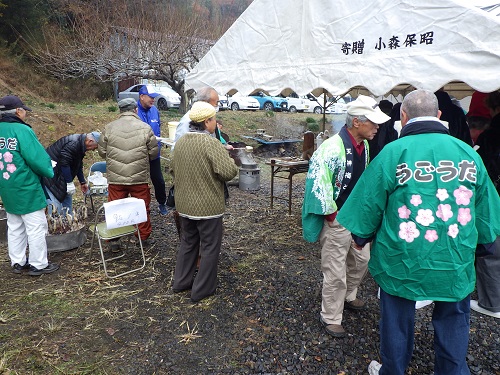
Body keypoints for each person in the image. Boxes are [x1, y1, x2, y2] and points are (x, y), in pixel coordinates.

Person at [336, 89, 500, 375]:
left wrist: (361, 237)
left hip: (402, 257)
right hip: (454, 256)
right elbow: (486, 211)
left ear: (403, 116)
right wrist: (485, 244)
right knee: (453, 320)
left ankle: (393, 370)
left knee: (397, 318)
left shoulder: (392, 153)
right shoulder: (466, 154)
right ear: (439, 116)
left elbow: (368, 203)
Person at [302, 95, 390, 337]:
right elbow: (317, 186)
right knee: (335, 269)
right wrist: (332, 216)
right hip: (338, 217)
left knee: (361, 261)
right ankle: (331, 315)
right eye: (372, 122)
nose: (377, 127)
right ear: (357, 123)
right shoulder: (330, 148)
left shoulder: (366, 146)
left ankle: (349, 296)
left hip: (357, 217)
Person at [171, 101, 238, 303]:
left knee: (188, 242)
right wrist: (231, 161)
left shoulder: (181, 142)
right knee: (209, 246)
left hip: (184, 204)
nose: (216, 123)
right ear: (207, 121)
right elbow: (228, 172)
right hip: (208, 206)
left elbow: (172, 170)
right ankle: (202, 289)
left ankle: (180, 282)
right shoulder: (210, 143)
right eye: (214, 119)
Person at [0, 95, 59, 276]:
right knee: (36, 226)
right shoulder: (22, 130)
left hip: (6, 184)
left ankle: (17, 261)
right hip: (25, 185)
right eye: (24, 110)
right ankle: (38, 263)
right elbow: (36, 157)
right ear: (18, 111)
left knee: (15, 224)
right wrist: (49, 169)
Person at [98, 98, 159, 245]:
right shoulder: (145, 128)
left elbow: (102, 152)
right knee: (142, 207)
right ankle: (143, 238)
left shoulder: (109, 128)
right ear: (135, 109)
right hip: (139, 177)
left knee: (115, 208)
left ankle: (114, 241)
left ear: (120, 110)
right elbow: (153, 153)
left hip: (116, 178)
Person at [471, 90, 500, 318]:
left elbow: (484, 172)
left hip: (496, 196)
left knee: (491, 248)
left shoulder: (491, 135)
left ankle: (492, 302)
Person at [43, 132, 100, 215]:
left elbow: (78, 164)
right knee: (55, 209)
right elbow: (64, 163)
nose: (94, 149)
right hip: (50, 178)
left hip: (61, 177)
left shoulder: (80, 145)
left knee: (67, 209)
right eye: (95, 147)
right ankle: (54, 225)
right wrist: (69, 183)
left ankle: (68, 222)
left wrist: (82, 182)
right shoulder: (73, 144)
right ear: (90, 141)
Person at [136, 85, 168, 215]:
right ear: (142, 96)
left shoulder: (154, 110)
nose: (153, 100)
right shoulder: (135, 111)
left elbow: (158, 127)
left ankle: (162, 203)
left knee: (158, 180)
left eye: (154, 97)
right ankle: (139, 207)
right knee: (139, 181)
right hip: (139, 153)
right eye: (150, 97)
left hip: (154, 152)